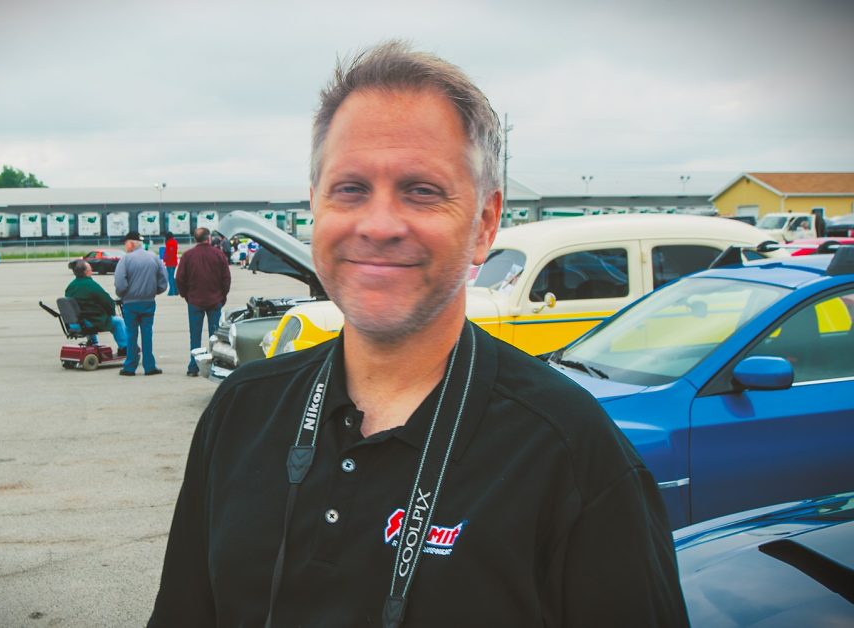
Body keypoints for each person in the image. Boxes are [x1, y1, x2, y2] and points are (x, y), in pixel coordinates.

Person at [149, 41, 687, 626]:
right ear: (315, 207)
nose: (379, 225)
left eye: (422, 191)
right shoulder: (241, 412)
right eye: (350, 188)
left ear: (485, 224)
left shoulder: (574, 455)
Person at [175, 226, 231, 377]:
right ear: (209, 238)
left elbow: (179, 278)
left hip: (194, 301)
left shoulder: (187, 255)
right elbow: (226, 278)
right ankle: (215, 365)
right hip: (214, 300)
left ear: (195, 239)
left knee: (195, 335)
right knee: (215, 337)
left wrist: (186, 295)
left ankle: (194, 366)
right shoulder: (218, 254)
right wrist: (222, 296)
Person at [114, 230, 168, 376]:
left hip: (130, 303)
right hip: (148, 302)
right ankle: (149, 366)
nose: (125, 246)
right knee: (147, 334)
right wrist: (153, 291)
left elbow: (120, 283)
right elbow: (163, 281)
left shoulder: (125, 260)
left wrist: (123, 294)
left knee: (131, 334)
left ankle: (130, 367)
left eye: (126, 243)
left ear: (131, 244)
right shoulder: (154, 258)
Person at [64, 260, 127, 356]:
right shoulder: (90, 284)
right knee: (118, 321)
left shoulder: (70, 287)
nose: (92, 271)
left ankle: (94, 343)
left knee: (87, 315)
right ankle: (125, 348)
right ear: (86, 272)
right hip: (87, 322)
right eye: (90, 269)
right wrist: (111, 313)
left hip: (74, 323)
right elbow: (107, 301)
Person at [162, 232, 179, 296]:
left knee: (170, 277)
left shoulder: (168, 242)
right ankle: (174, 290)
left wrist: (164, 259)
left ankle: (172, 291)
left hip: (169, 262)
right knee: (172, 276)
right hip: (174, 261)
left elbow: (167, 252)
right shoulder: (175, 242)